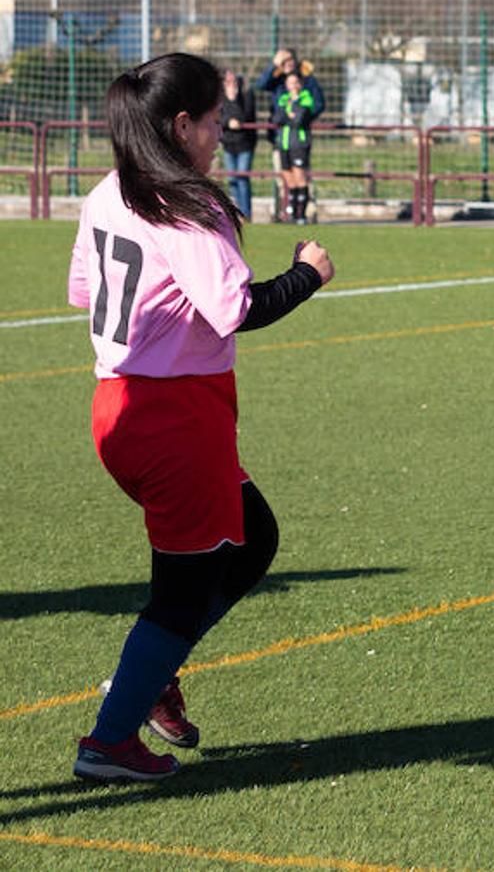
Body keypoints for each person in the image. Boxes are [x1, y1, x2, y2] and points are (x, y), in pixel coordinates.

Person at [66, 52, 336, 782]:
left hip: (124, 404)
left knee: (252, 542)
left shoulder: (107, 192)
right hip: (172, 414)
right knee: (181, 593)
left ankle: (150, 680)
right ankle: (111, 739)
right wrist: (309, 271)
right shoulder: (183, 202)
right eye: (215, 117)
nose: (224, 129)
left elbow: (83, 290)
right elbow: (236, 309)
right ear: (182, 125)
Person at [272, 71, 317, 224]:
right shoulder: (283, 99)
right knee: (289, 179)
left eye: (295, 82)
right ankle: (291, 211)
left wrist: (288, 115)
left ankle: (301, 214)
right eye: (290, 82)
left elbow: (300, 119)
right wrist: (288, 114)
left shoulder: (306, 98)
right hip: (283, 143)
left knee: (300, 178)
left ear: (300, 84)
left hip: (299, 143)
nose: (293, 86)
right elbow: (276, 119)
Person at [219, 69, 257, 219]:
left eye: (234, 81)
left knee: (242, 178)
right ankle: (238, 212)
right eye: (227, 82)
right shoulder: (220, 99)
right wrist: (228, 121)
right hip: (228, 144)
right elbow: (218, 117)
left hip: (244, 144)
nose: (231, 85)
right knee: (232, 180)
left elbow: (245, 116)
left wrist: (234, 100)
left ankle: (246, 213)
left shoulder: (246, 96)